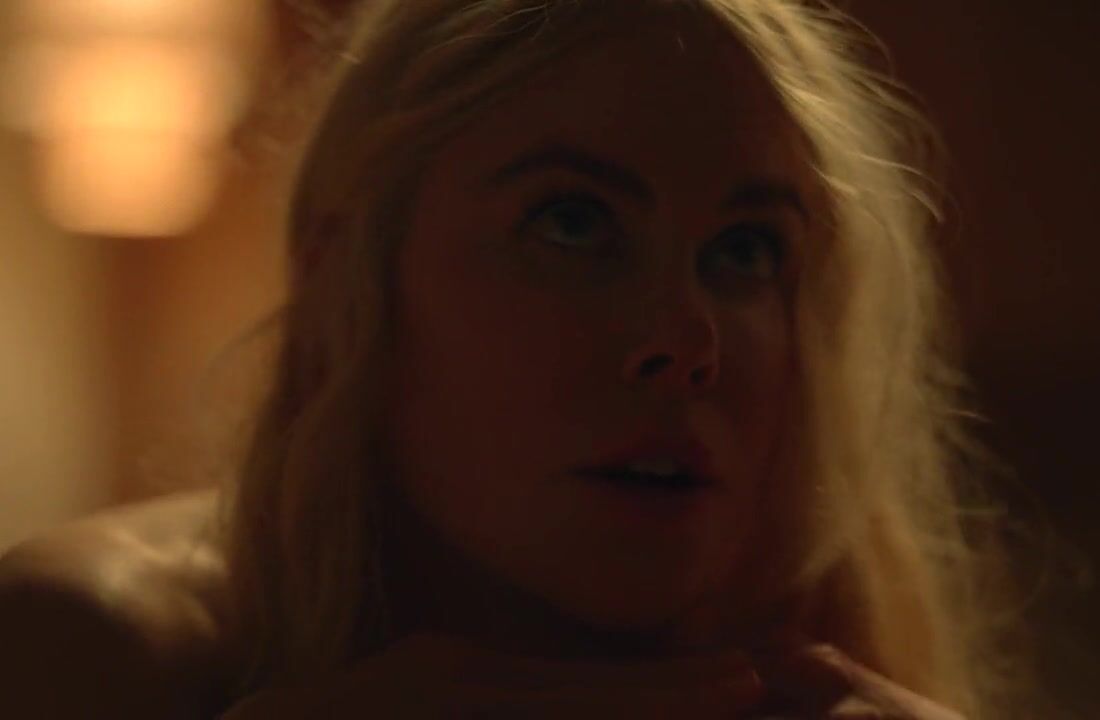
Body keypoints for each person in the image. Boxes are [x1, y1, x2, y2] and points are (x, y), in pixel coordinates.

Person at [0, 0, 1041, 717]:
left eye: (745, 249)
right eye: (573, 224)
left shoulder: (834, 670)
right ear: (343, 279)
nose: (687, 343)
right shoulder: (97, 648)